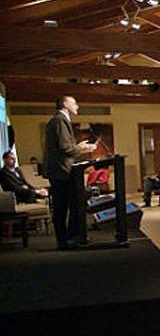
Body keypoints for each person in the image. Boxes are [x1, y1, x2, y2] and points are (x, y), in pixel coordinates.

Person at [44, 96, 97, 249]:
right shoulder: (60, 120)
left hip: (61, 170)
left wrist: (79, 147)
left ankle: (70, 237)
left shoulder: (59, 120)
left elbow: (66, 148)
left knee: (70, 203)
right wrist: (82, 148)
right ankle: (67, 239)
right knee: (64, 206)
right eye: (75, 103)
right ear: (65, 104)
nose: (77, 106)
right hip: (61, 171)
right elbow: (65, 149)